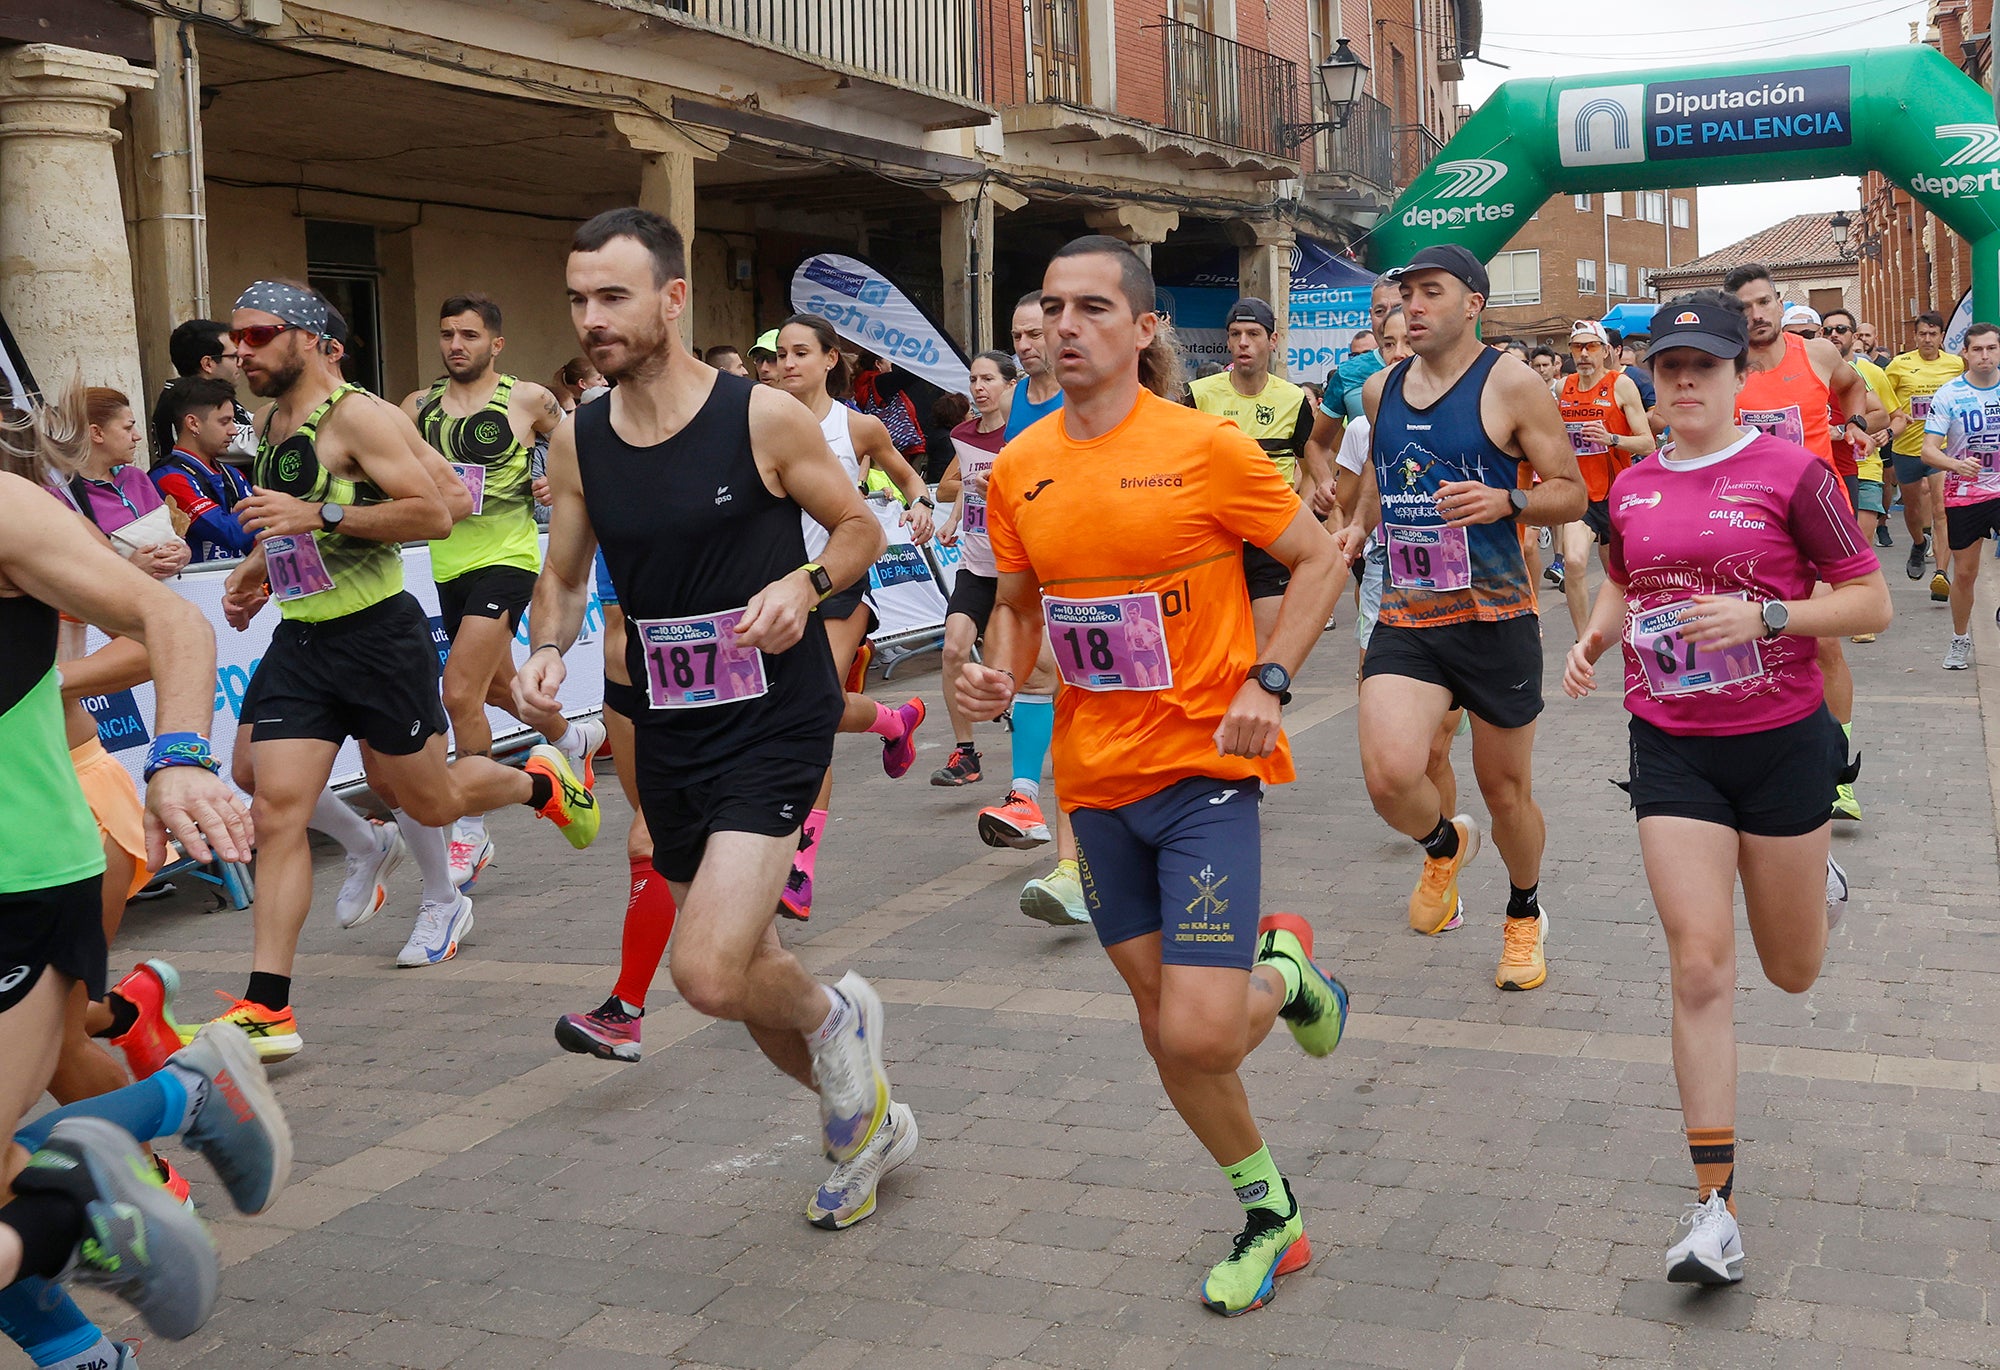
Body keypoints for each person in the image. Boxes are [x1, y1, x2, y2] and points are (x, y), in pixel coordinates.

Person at [957, 234, 1351, 1315]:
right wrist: (998, 676)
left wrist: (1271, 677)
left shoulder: (1204, 445)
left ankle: (1285, 972)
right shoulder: (1021, 465)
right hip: (1093, 783)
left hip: (1201, 771)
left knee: (1198, 1029)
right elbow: (1021, 605)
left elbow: (1318, 559)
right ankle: (1270, 1213)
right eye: (1051, 306)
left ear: (1142, 329)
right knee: (1158, 1016)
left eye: (1092, 307)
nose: (1065, 325)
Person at [519, 205, 910, 1230]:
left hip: (774, 715)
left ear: (672, 299)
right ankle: (862, 1113)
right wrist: (547, 647)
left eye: (613, 296)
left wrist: (804, 585)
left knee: (703, 971)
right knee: (745, 964)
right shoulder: (580, 439)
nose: (592, 318)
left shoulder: (760, 417)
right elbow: (562, 577)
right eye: (579, 299)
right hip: (668, 724)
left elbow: (858, 527)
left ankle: (838, 1025)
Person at [1562, 290, 1889, 1286]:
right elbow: (1625, 578)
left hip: (1781, 741)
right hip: (1671, 745)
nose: (1684, 381)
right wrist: (1594, 637)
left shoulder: (1793, 474)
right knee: (1699, 967)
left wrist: (1768, 619)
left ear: (1738, 373)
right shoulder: (1630, 487)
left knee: (1791, 971)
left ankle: (1816, 885)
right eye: (1669, 367)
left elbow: (1868, 601)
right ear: (1651, 379)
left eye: (1703, 365)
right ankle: (1715, 1208)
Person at [208, 280, 599, 1056]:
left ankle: (540, 783)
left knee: (432, 797)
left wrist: (320, 513)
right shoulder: (273, 423)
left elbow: (437, 509)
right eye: (234, 338)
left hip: (376, 640)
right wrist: (256, 570)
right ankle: (268, 1006)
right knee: (273, 804)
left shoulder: (357, 416)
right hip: (303, 640)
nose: (237, 352)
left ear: (307, 338)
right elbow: (292, 525)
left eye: (256, 336)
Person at [0, 412, 254, 1346]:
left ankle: (119, 1170)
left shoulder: (6, 509)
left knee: (61, 1063)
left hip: (22, 875)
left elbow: (167, 620)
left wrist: (179, 755)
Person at [1346, 244, 1585, 991]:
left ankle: (1523, 911)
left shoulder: (1511, 384)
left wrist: (1509, 500)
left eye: (1431, 292)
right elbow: (1383, 471)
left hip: (1494, 616)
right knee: (1390, 776)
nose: (1411, 306)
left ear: (1473, 304)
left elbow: (1572, 491)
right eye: (1405, 293)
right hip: (1408, 612)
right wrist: (1356, 525)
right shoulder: (1380, 389)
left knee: (1505, 792)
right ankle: (1444, 845)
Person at [403, 293, 602, 893]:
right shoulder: (417, 406)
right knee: (496, 687)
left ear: (496, 343)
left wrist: (554, 483)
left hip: (508, 560)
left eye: (468, 335)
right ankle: (571, 738)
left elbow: (580, 450)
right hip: (447, 565)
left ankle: (473, 827)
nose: (455, 345)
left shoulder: (529, 398)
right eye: (447, 334)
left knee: (458, 691)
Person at [770, 314, 932, 921]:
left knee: (812, 711)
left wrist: (920, 504)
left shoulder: (856, 426)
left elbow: (907, 475)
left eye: (800, 352)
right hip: (778, 589)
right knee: (814, 708)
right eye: (781, 353)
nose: (787, 363)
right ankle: (894, 721)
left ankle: (800, 867)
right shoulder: (759, 422)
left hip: (840, 583)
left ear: (830, 359)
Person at [1725, 264, 1878, 825]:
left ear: (1780, 303)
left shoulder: (1816, 353)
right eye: (1744, 307)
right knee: (1748, 643)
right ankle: (1759, 760)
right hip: (1748, 522)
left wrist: (1855, 422)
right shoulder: (1723, 366)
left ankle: (1837, 772)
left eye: (1765, 302)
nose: (1757, 315)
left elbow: (1852, 386)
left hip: (1816, 517)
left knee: (1826, 642)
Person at [977, 292, 1088, 926]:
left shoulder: (1081, 398)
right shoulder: (1015, 397)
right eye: (1016, 335)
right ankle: (1032, 807)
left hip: (1092, 569)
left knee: (1072, 698)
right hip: (1030, 566)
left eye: (1033, 333)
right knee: (1045, 682)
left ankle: (1077, 845)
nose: (1024, 345)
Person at [1189, 297, 1324, 649]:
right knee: (1218, 647)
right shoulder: (1198, 396)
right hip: (1216, 540)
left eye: (1253, 333)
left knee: (1265, 647)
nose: (1243, 343)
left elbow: (1312, 465)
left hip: (1270, 541)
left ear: (1273, 340)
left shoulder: (1293, 399)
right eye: (1235, 334)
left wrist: (1302, 510)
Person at [932, 350, 1017, 786]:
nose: (979, 388)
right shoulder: (962, 434)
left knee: (1033, 668)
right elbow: (966, 486)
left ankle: (1064, 737)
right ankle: (966, 754)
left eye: (988, 379)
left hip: (1019, 568)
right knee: (953, 650)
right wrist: (952, 520)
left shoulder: (1023, 434)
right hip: (976, 563)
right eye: (973, 380)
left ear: (1010, 386)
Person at [1551, 320, 1656, 638]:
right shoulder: (1563, 387)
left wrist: (1612, 439)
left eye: (1591, 347)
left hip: (1615, 493)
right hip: (1580, 493)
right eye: (1577, 347)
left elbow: (1647, 444)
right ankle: (1583, 640)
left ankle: (1629, 629)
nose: (1584, 354)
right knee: (1574, 562)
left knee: (1620, 574)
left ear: (1606, 351)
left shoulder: (1620, 385)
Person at [1921, 322, 2000, 670]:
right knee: (1965, 573)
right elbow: (1928, 451)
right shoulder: (1949, 394)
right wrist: (1956, 464)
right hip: (1965, 493)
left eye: (1992, 348)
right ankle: (1959, 638)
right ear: (1965, 353)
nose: (1985, 356)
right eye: (1977, 349)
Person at [60, 390, 189, 581]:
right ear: (97, 433)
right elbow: (61, 571)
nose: (137, 436)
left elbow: (172, 537)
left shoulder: (137, 477)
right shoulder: (61, 493)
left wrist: (182, 553)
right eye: (128, 428)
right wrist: (129, 570)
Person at [1885, 310, 1963, 597]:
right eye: (1922, 334)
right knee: (1913, 508)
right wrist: (1896, 414)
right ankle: (1919, 543)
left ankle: (1941, 573)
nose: (1927, 339)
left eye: (1933, 334)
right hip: (1907, 448)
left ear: (1942, 337)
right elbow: (1883, 397)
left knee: (1941, 509)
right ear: (1915, 336)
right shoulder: (1899, 365)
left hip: (1942, 448)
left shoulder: (1955, 365)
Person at [151, 377, 256, 565]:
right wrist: (266, 512)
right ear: (193, 423)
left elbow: (262, 539)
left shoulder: (233, 474)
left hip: (237, 580)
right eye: (225, 422)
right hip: (196, 582)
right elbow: (229, 533)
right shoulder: (170, 477)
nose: (234, 431)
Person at [1820, 308, 1894, 569]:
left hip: (1860, 468)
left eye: (1841, 329)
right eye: (1827, 330)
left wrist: (1846, 430)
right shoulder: (1806, 371)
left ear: (1854, 336)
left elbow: (1886, 415)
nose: (1834, 335)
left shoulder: (1861, 372)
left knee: (1856, 551)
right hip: (1814, 470)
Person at [149, 318, 257, 464]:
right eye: (234, 357)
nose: (240, 363)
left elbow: (252, 422)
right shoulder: (185, 400)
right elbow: (249, 444)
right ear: (208, 364)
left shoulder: (213, 395)